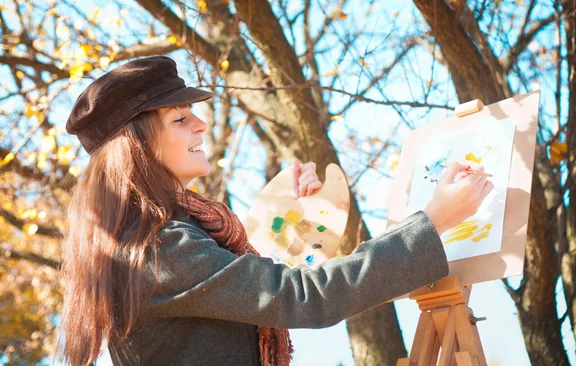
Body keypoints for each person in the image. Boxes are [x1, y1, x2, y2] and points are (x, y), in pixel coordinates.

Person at [60, 56, 493, 366]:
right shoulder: (157, 248)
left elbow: (249, 289)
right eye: (179, 118)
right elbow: (298, 297)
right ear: (137, 147)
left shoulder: (168, 237)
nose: (202, 124)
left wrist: (299, 219)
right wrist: (432, 221)